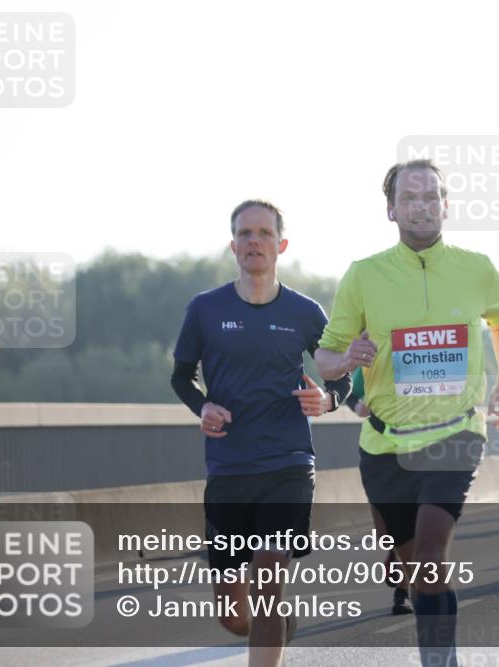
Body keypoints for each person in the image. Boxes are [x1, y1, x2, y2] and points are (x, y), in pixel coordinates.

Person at [315, 159, 499, 667]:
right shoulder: (364, 275)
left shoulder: (477, 268)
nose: (422, 206)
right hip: (384, 444)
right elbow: (325, 353)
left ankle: (439, 662)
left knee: (429, 561)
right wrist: (347, 361)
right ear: (392, 210)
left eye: (431, 196)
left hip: (454, 435)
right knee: (410, 567)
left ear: (445, 205)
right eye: (410, 198)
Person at [171, 200, 351, 667]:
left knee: (270, 576)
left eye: (264, 233)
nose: (255, 241)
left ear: (281, 245)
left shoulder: (305, 312)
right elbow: (181, 377)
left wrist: (328, 400)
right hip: (229, 467)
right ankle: (273, 630)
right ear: (233, 246)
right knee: (233, 613)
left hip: (288, 463)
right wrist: (202, 405)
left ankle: (269, 635)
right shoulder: (205, 309)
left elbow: (340, 374)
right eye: (245, 233)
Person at [343, 366, 413, 615]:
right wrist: (357, 407)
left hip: (424, 448)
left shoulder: (427, 352)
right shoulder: (374, 357)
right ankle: (395, 550)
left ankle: (402, 594)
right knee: (387, 532)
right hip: (379, 450)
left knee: (417, 524)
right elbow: (349, 391)